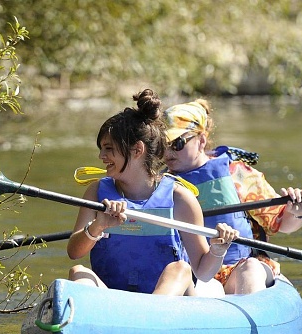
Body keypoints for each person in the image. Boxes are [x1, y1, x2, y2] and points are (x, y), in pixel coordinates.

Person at [66, 89, 239, 297]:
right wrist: (98, 225)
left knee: (181, 269)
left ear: (137, 150)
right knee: (79, 273)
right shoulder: (96, 192)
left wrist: (218, 250)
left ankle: (147, 319)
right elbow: (74, 253)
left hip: (166, 304)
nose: (101, 156)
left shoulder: (180, 198)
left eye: (109, 148)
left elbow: (203, 272)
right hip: (114, 300)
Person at [162, 99, 302, 294]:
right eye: (162, 144)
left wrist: (298, 211)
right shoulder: (160, 184)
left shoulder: (236, 174)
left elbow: (282, 223)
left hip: (238, 267)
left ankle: (255, 317)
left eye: (177, 143)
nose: (169, 151)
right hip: (195, 274)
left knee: (251, 268)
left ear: (201, 141)